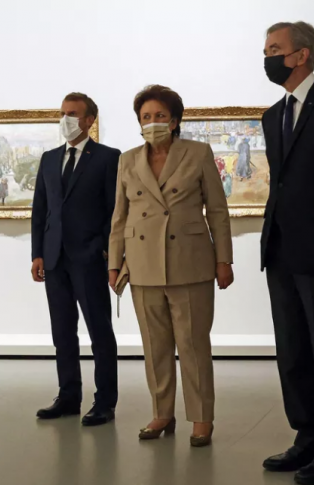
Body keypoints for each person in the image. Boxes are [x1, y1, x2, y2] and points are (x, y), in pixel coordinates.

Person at [108, 85, 234, 447]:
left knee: (194, 345)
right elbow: (119, 217)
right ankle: (162, 412)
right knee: (155, 345)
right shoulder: (128, 160)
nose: (152, 123)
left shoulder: (198, 153)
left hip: (190, 262)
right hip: (143, 264)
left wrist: (223, 259)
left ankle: (201, 417)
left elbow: (219, 211)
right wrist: (115, 263)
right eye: (145, 117)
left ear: (175, 120)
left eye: (159, 116)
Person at [31, 93, 120, 426]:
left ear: (89, 120)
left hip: (90, 258)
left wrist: (108, 253)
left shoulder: (109, 158)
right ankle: (68, 396)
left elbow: (114, 210)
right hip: (54, 259)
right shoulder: (49, 159)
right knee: (62, 333)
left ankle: (105, 402)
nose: (66, 119)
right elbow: (41, 210)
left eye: (73, 114)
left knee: (100, 333)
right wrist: (37, 253)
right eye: (63, 113)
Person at [259, 22, 314, 484]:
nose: (267, 58)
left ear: (302, 55)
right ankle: (306, 439)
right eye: (265, 50)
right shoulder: (272, 114)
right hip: (280, 249)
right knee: (292, 351)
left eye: (275, 49)